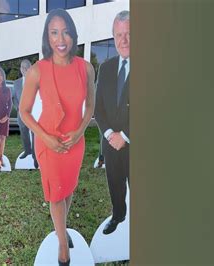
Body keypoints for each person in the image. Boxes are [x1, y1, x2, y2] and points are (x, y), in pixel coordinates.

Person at [19, 9, 95, 266]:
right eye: (54, 32)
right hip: (48, 142)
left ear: (73, 34)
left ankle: (60, 228)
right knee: (55, 195)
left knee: (69, 188)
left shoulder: (85, 69)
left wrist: (81, 131)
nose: (60, 38)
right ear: (47, 37)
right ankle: (63, 243)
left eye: (65, 31)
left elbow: (90, 107)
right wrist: (46, 138)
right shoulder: (37, 71)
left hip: (75, 143)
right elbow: (24, 111)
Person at [94, 10, 130, 235]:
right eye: (118, 35)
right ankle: (118, 215)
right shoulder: (106, 68)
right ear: (113, 38)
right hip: (111, 144)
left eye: (128, 34)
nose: (123, 40)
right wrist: (109, 134)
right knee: (115, 185)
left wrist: (124, 136)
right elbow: (99, 109)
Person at [12, 59, 38, 168]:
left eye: (27, 67)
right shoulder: (16, 83)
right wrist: (18, 108)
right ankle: (27, 151)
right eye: (23, 67)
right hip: (21, 115)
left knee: (34, 134)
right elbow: (14, 98)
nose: (25, 69)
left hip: (33, 114)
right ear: (20, 69)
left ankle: (35, 155)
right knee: (24, 133)